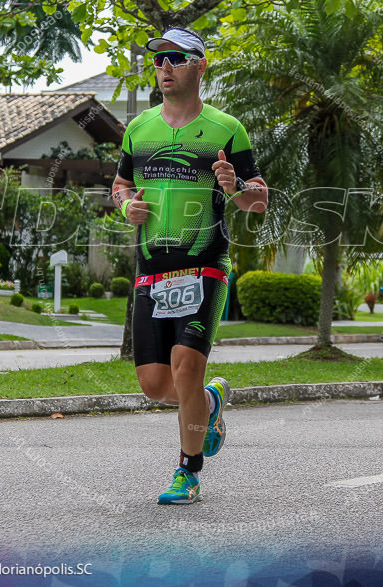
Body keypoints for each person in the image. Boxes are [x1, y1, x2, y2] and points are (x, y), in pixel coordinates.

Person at [111, 27, 268, 504]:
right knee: (156, 386)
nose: (164, 67)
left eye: (176, 58)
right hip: (152, 270)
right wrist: (124, 207)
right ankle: (212, 401)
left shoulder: (226, 129)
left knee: (186, 370)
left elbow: (257, 202)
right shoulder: (139, 129)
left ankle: (188, 473)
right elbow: (119, 185)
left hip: (204, 267)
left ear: (201, 64)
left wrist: (234, 184)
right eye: (158, 60)